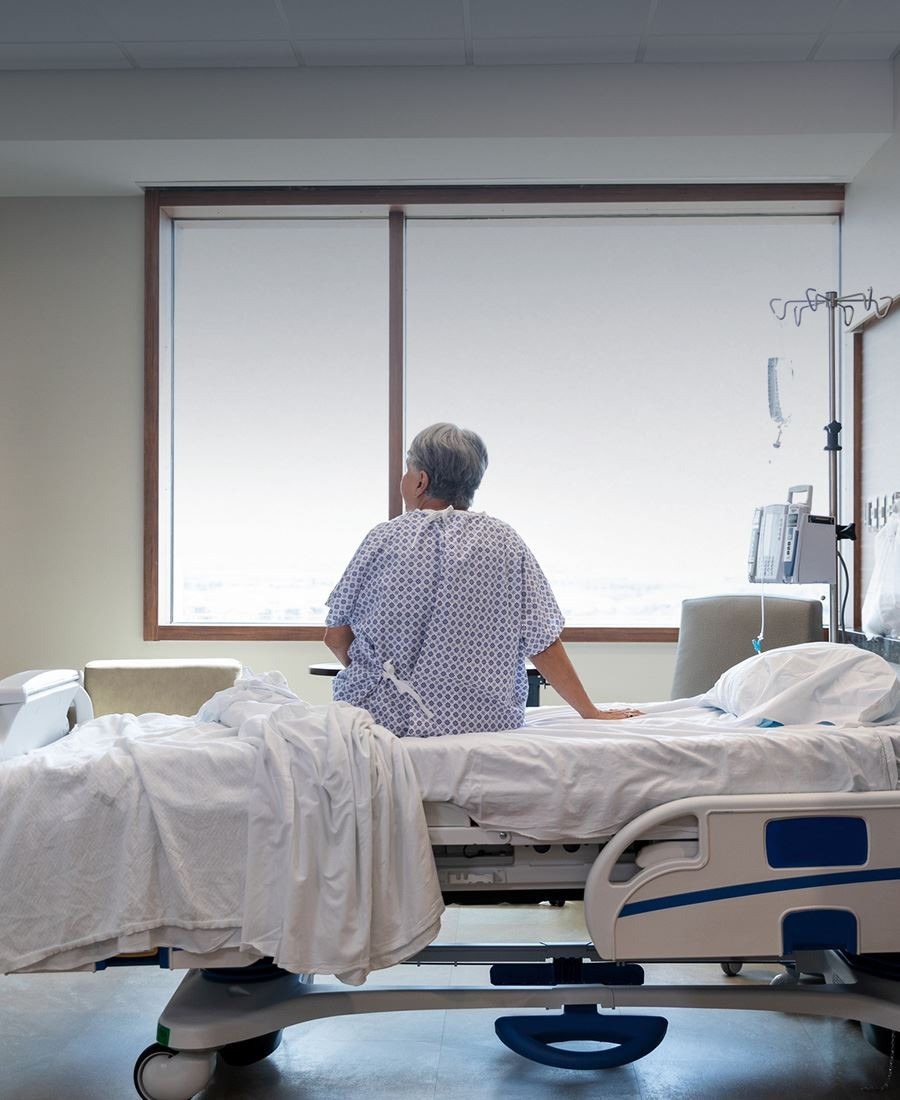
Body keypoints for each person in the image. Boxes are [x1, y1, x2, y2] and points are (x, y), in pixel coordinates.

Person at [323, 422, 640, 736]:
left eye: (407, 469)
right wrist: (590, 712)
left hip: (385, 722)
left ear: (420, 481)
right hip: (487, 723)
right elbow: (543, 642)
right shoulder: (504, 540)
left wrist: (379, 680)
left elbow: (335, 635)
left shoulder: (385, 538)